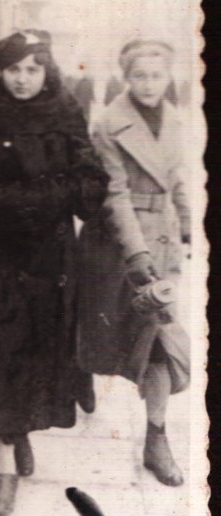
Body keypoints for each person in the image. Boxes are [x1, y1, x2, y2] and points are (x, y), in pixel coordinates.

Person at [0, 30, 109, 516]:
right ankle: (4, 470)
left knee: (36, 354)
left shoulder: (65, 109)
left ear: (46, 70)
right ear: (1, 70)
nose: (22, 79)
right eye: (13, 69)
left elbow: (92, 181)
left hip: (50, 260)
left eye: (33, 69)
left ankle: (21, 431)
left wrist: (42, 197)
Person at [77, 40, 191, 487]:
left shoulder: (175, 120)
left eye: (156, 76)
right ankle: (79, 376)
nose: (148, 84)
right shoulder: (109, 123)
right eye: (139, 75)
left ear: (168, 78)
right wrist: (137, 253)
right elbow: (115, 194)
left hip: (161, 239)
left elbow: (177, 178)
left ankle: (156, 439)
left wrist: (187, 227)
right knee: (102, 333)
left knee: (160, 339)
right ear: (126, 77)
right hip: (118, 245)